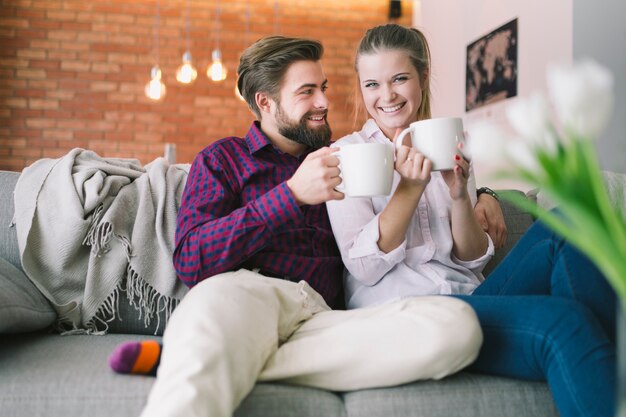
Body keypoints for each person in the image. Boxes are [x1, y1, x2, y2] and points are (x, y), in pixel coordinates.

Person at [111, 35, 516, 417]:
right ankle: (209, 350)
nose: (324, 101)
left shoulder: (345, 155)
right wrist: (289, 196)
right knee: (215, 309)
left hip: (326, 316)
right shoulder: (223, 159)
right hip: (249, 295)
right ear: (265, 102)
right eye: (307, 92)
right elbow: (192, 259)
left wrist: (486, 195)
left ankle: (208, 356)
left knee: (457, 329)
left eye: (323, 87)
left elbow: (427, 192)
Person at [325, 23, 616, 417]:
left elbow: (471, 258)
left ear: (422, 78)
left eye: (399, 79)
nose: (387, 96)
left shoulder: (446, 141)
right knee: (564, 322)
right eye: (372, 84)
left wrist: (463, 194)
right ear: (360, 86)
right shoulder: (347, 155)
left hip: (472, 299)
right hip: (409, 315)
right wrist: (409, 189)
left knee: (572, 221)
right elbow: (364, 265)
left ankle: (606, 369)